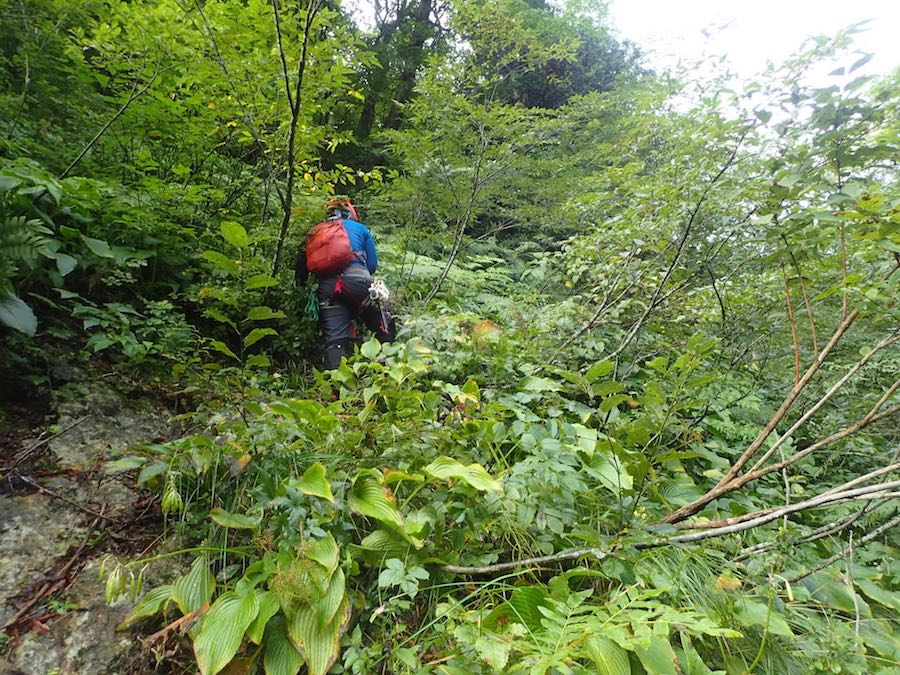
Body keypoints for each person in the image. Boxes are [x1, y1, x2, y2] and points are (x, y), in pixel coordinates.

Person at [295, 198, 396, 369]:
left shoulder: (315, 232)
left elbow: (302, 272)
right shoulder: (359, 228)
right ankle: (384, 370)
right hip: (359, 283)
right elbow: (371, 265)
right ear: (350, 213)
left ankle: (338, 387)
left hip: (328, 289)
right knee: (383, 324)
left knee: (335, 341)